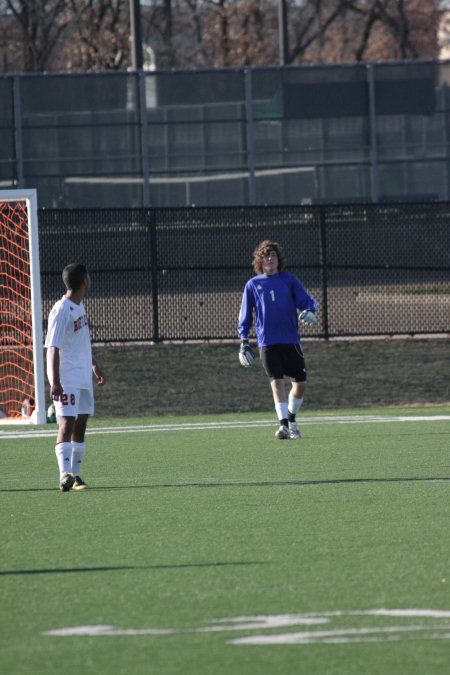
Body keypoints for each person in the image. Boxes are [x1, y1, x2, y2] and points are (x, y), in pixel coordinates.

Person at [237, 240, 318, 440]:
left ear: (278, 259)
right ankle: (283, 425)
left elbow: (307, 301)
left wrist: (310, 311)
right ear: (260, 260)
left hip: (290, 339)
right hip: (268, 341)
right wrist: (244, 341)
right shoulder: (253, 285)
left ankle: (291, 418)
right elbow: (245, 316)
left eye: (273, 255)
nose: (270, 258)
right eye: (266, 255)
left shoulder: (289, 280)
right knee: (277, 381)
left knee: (300, 384)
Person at [45, 263, 105, 491]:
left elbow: (81, 343)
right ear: (84, 282)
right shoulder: (61, 310)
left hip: (82, 377)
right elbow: (52, 347)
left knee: (80, 424)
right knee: (66, 423)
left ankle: (76, 476)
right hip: (66, 377)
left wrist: (94, 366)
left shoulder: (79, 307)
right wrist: (55, 381)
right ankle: (64, 474)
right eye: (88, 277)